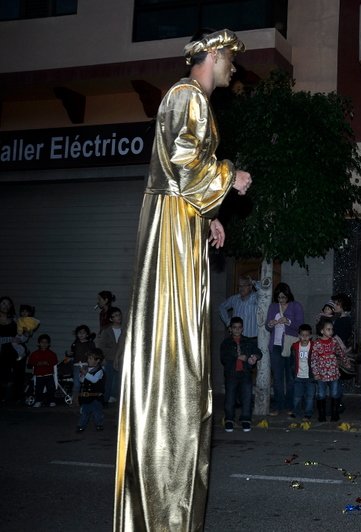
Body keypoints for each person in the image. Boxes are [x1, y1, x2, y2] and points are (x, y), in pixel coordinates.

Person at [114, 28, 251, 530]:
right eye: (230, 58)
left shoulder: (193, 99)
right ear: (212, 54)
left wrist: (207, 215)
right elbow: (184, 161)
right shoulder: (186, 94)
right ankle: (163, 504)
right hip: (171, 230)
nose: (233, 66)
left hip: (182, 223)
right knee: (175, 355)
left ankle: (171, 500)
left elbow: (183, 172)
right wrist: (228, 176)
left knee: (185, 353)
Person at [266, 282, 304, 416]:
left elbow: (301, 326)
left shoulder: (296, 306)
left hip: (291, 346)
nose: (281, 300)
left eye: (283, 297)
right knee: (277, 378)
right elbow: (267, 326)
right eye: (278, 297)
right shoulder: (273, 307)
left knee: (291, 377)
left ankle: (290, 406)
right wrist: (270, 324)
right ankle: (278, 405)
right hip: (275, 346)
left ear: (288, 295)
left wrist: (288, 322)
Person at [220, 316, 261, 432]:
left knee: (247, 397)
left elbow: (258, 352)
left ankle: (246, 419)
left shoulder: (248, 341)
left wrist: (253, 357)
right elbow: (223, 358)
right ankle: (229, 419)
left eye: (239, 327)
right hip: (231, 374)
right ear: (230, 329)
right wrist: (238, 357)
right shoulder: (226, 343)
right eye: (234, 327)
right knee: (230, 397)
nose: (237, 330)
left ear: (242, 328)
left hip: (245, 373)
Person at [310, 318, 349, 422]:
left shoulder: (334, 342)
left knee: (335, 393)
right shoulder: (317, 343)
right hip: (321, 374)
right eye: (328, 329)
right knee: (321, 394)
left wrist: (346, 362)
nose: (331, 331)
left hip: (333, 372)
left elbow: (340, 353)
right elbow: (313, 359)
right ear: (322, 331)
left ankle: (334, 414)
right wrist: (315, 373)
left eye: (332, 329)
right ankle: (322, 415)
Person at [95, 307, 124, 403]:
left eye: (119, 315)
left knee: (119, 379)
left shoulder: (125, 329)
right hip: (109, 358)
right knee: (109, 379)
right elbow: (101, 345)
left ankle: (116, 397)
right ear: (111, 319)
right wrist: (102, 358)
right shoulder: (107, 331)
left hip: (122, 358)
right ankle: (106, 399)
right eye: (115, 316)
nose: (118, 317)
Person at [290, 324, 316, 421]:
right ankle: (296, 412)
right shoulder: (295, 346)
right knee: (297, 396)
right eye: (302, 335)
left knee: (310, 397)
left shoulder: (314, 346)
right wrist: (292, 372)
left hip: (310, 377)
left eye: (307, 335)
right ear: (299, 336)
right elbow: (292, 361)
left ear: (310, 336)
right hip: (298, 376)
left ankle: (308, 413)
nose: (305, 337)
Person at [76, 348, 105, 432]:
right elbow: (81, 381)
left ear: (98, 360)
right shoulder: (86, 369)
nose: (88, 360)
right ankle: (81, 425)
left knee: (97, 412)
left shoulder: (100, 371)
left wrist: (85, 373)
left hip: (96, 397)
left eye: (90, 358)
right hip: (86, 397)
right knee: (85, 412)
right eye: (88, 358)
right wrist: (82, 375)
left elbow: (94, 380)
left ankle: (99, 424)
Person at [26, 334, 59, 408]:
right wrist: (37, 363)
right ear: (38, 343)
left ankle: (51, 401)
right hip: (39, 375)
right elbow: (30, 363)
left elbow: (55, 361)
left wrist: (47, 363)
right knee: (38, 389)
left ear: (49, 344)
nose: (44, 344)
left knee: (51, 389)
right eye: (42, 342)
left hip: (49, 375)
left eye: (46, 342)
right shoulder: (35, 354)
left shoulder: (51, 354)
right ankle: (38, 401)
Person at [65, 324, 95, 401]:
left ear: (87, 334)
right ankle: (75, 400)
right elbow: (72, 354)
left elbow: (94, 354)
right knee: (76, 383)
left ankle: (87, 399)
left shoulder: (90, 343)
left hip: (87, 365)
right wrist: (68, 354)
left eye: (83, 332)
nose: (81, 334)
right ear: (77, 334)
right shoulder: (75, 344)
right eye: (79, 333)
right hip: (76, 366)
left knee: (87, 382)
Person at [0, 297, 22, 402]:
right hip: (1, 350)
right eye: (3, 303)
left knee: (11, 376)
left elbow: (20, 336)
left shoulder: (14, 319)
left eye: (8, 304)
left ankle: (9, 398)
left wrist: (27, 333)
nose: (6, 306)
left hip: (11, 351)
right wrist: (9, 339)